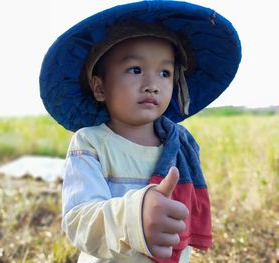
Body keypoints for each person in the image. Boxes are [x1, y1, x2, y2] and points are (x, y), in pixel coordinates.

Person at [39, 1, 241, 262]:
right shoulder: (91, 143)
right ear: (99, 87)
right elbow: (79, 220)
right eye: (135, 70)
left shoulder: (179, 146)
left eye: (164, 72)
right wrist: (136, 216)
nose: (152, 85)